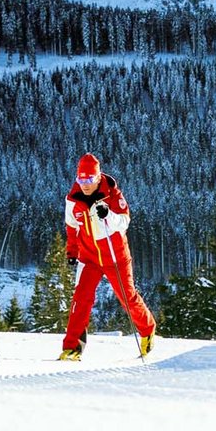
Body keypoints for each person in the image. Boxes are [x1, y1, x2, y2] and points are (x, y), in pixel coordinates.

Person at [59, 152, 156, 361]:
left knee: (127, 297)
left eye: (89, 179)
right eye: (81, 179)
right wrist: (72, 252)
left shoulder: (112, 194)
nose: (85, 184)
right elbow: (71, 226)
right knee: (80, 300)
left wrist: (108, 215)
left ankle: (147, 330)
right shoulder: (72, 199)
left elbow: (124, 223)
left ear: (97, 177)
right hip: (89, 257)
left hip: (115, 256)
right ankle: (72, 347)